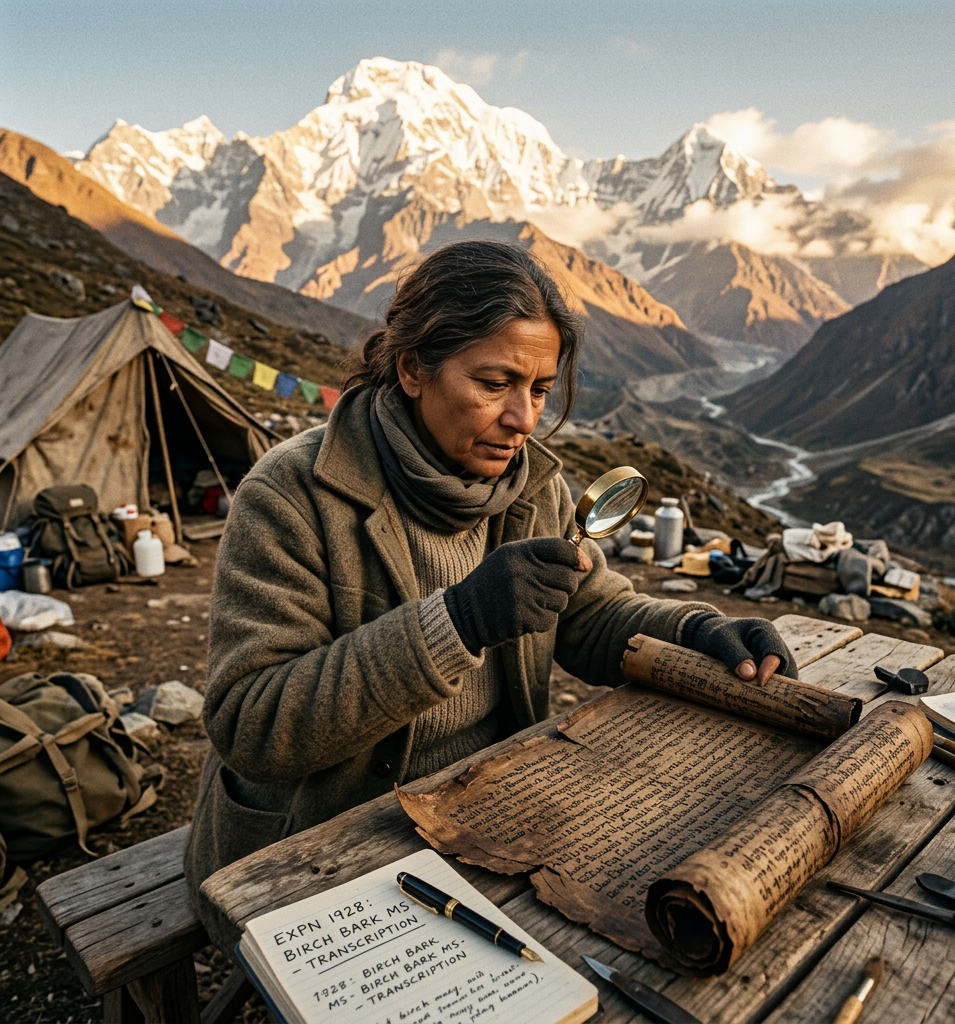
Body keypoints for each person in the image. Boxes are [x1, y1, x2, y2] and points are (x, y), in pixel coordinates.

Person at [183, 240, 797, 951]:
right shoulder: (291, 494)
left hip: (483, 810)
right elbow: (251, 725)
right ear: (412, 367)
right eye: (496, 383)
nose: (524, 419)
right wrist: (458, 622)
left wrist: (694, 629)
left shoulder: (529, 484)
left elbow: (590, 612)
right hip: (320, 835)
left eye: (538, 389)